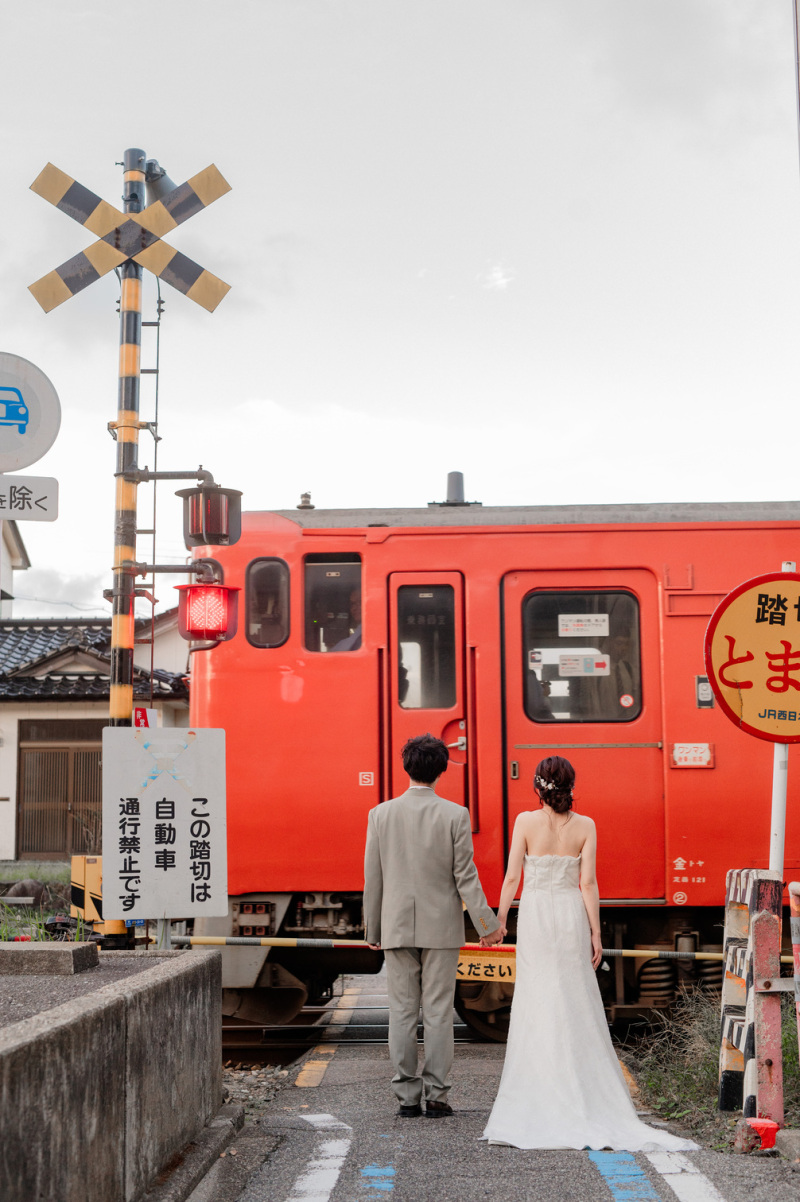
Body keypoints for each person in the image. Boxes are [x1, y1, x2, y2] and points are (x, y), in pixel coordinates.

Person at [482, 756, 697, 1151]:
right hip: (569, 915)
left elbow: (513, 877)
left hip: (535, 915)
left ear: (538, 786)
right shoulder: (586, 826)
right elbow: (589, 884)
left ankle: (540, 1092)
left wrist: (499, 922)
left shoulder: (525, 822)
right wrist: (595, 932)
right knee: (575, 997)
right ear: (570, 787)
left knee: (537, 998)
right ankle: (583, 1091)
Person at [364, 733, 503, 1119]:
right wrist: (487, 924)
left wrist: (372, 929)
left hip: (394, 926)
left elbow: (372, 878)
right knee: (439, 1011)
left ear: (406, 767)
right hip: (441, 927)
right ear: (442, 770)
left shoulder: (381, 814)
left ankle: (407, 1099)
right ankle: (438, 1096)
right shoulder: (456, 815)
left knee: (402, 1012)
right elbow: (466, 877)